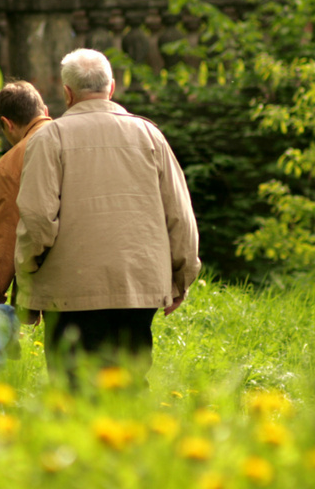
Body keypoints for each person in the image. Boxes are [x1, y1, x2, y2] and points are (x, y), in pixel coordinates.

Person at [14, 48, 201, 387]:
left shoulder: (49, 138)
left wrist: (27, 271)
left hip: (68, 290)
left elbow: (38, 219)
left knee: (72, 386)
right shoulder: (150, 136)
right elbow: (180, 215)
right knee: (129, 383)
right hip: (138, 284)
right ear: (111, 87)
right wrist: (182, 276)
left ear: (67, 93)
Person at [0, 81, 51, 311]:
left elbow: (6, 235)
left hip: (60, 284)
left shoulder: (13, 162)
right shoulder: (77, 138)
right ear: (45, 112)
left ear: (7, 124)